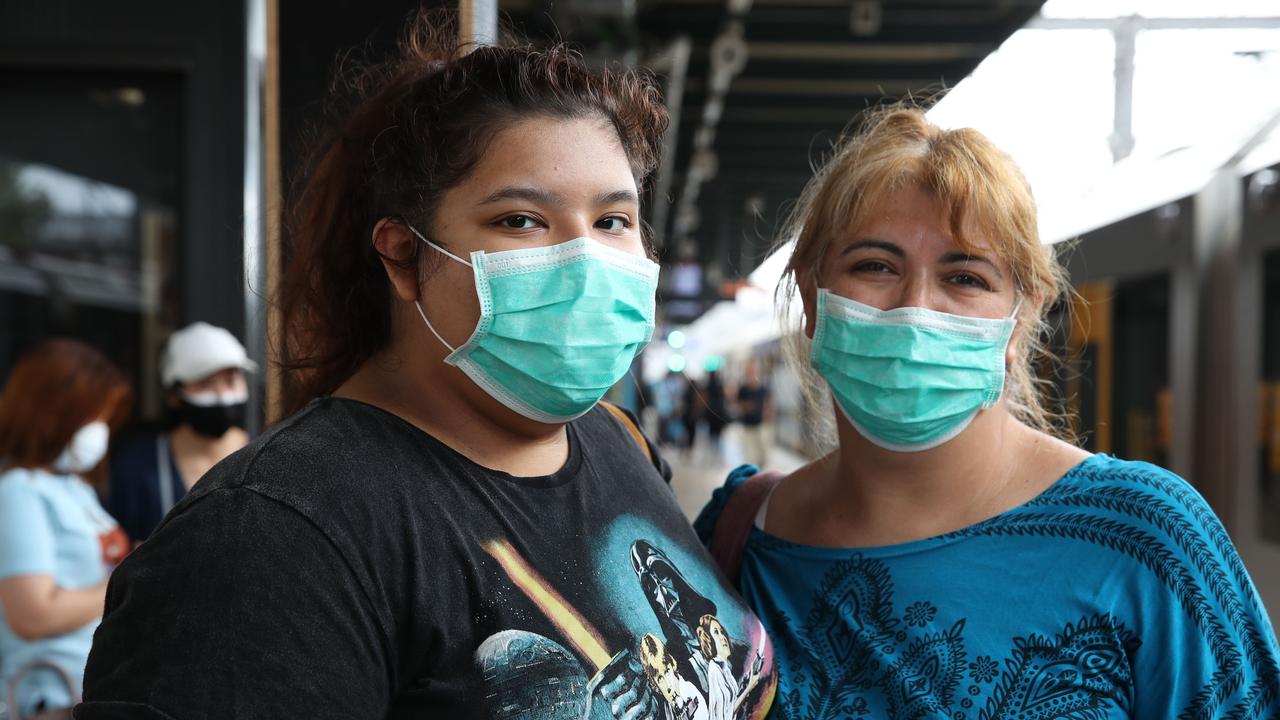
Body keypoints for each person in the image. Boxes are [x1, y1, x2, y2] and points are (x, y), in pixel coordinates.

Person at [77, 11, 776, 719]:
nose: (586, 259)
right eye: (520, 220)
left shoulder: (615, 441)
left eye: (612, 221)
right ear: (403, 256)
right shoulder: (266, 541)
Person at [695, 105, 1280, 719]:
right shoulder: (736, 536)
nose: (916, 311)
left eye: (966, 277)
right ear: (814, 299)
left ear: (1022, 315)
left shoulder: (1151, 541)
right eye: (874, 266)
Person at [0, 340, 130, 718]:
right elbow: (32, 615)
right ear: (52, 413)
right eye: (93, 418)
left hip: (96, 690)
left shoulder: (75, 486)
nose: (100, 433)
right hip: (51, 698)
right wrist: (129, 577)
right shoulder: (17, 491)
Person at [106, 322, 256, 543]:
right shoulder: (139, 468)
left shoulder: (267, 456)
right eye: (205, 384)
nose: (223, 396)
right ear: (173, 395)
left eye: (231, 380)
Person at [734, 359, 771, 468]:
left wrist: (768, 417)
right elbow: (738, 405)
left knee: (763, 456)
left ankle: (762, 475)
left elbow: (768, 404)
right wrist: (746, 407)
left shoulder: (763, 388)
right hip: (747, 427)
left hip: (761, 426)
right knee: (750, 456)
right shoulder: (743, 389)